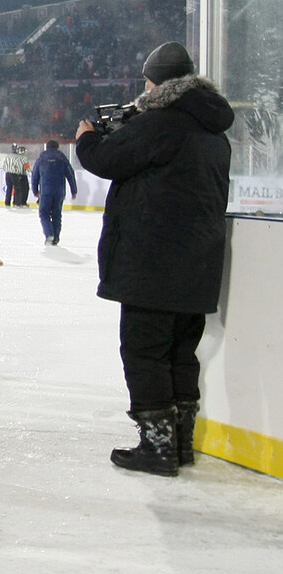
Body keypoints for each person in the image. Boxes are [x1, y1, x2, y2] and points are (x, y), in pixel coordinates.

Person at [75, 41, 232, 476]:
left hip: (153, 265)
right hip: (198, 266)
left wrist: (87, 138)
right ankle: (180, 444)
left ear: (158, 84)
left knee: (144, 352)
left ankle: (157, 449)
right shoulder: (214, 132)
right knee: (181, 353)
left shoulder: (160, 124)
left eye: (146, 83)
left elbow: (106, 159)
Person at [30, 139, 78, 245]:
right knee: (57, 214)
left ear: (47, 147)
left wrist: (35, 190)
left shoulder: (42, 158)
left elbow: (35, 176)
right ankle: (56, 238)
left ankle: (49, 234)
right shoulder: (62, 158)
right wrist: (74, 190)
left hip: (46, 191)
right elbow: (70, 174)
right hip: (59, 191)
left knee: (44, 213)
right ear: (57, 147)